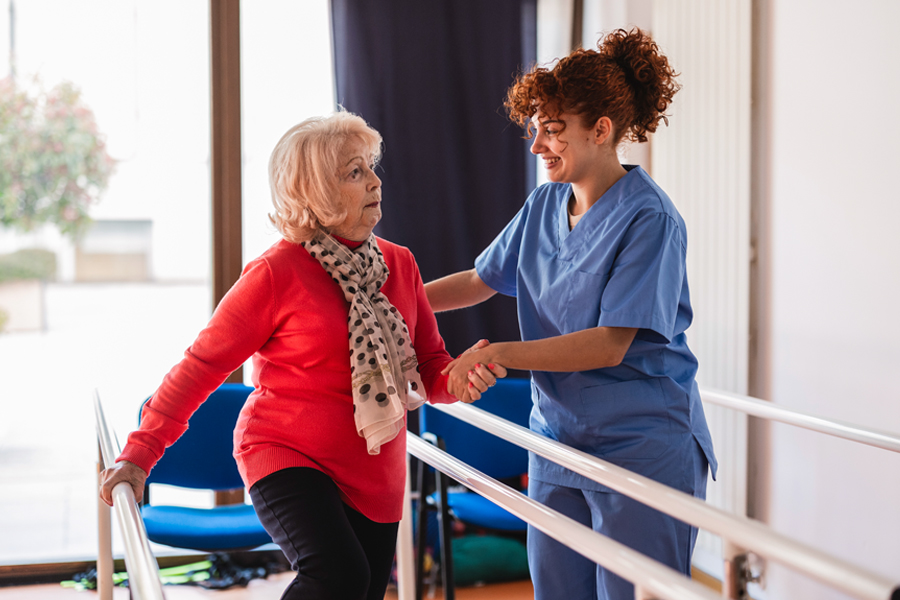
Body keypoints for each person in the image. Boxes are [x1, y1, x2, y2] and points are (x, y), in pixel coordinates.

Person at [99, 111, 504, 600]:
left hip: (375, 466)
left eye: (371, 167)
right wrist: (139, 456)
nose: (375, 181)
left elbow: (428, 368)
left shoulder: (400, 264)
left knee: (363, 588)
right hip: (284, 453)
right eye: (355, 172)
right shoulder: (276, 273)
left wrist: (458, 380)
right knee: (338, 575)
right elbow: (201, 366)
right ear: (315, 191)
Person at [425, 28, 717, 600]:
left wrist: (500, 355)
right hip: (557, 439)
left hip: (641, 445)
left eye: (552, 130)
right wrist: (389, 298)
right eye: (534, 130)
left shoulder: (650, 220)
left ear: (601, 130)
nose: (537, 146)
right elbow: (480, 280)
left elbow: (609, 343)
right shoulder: (543, 205)